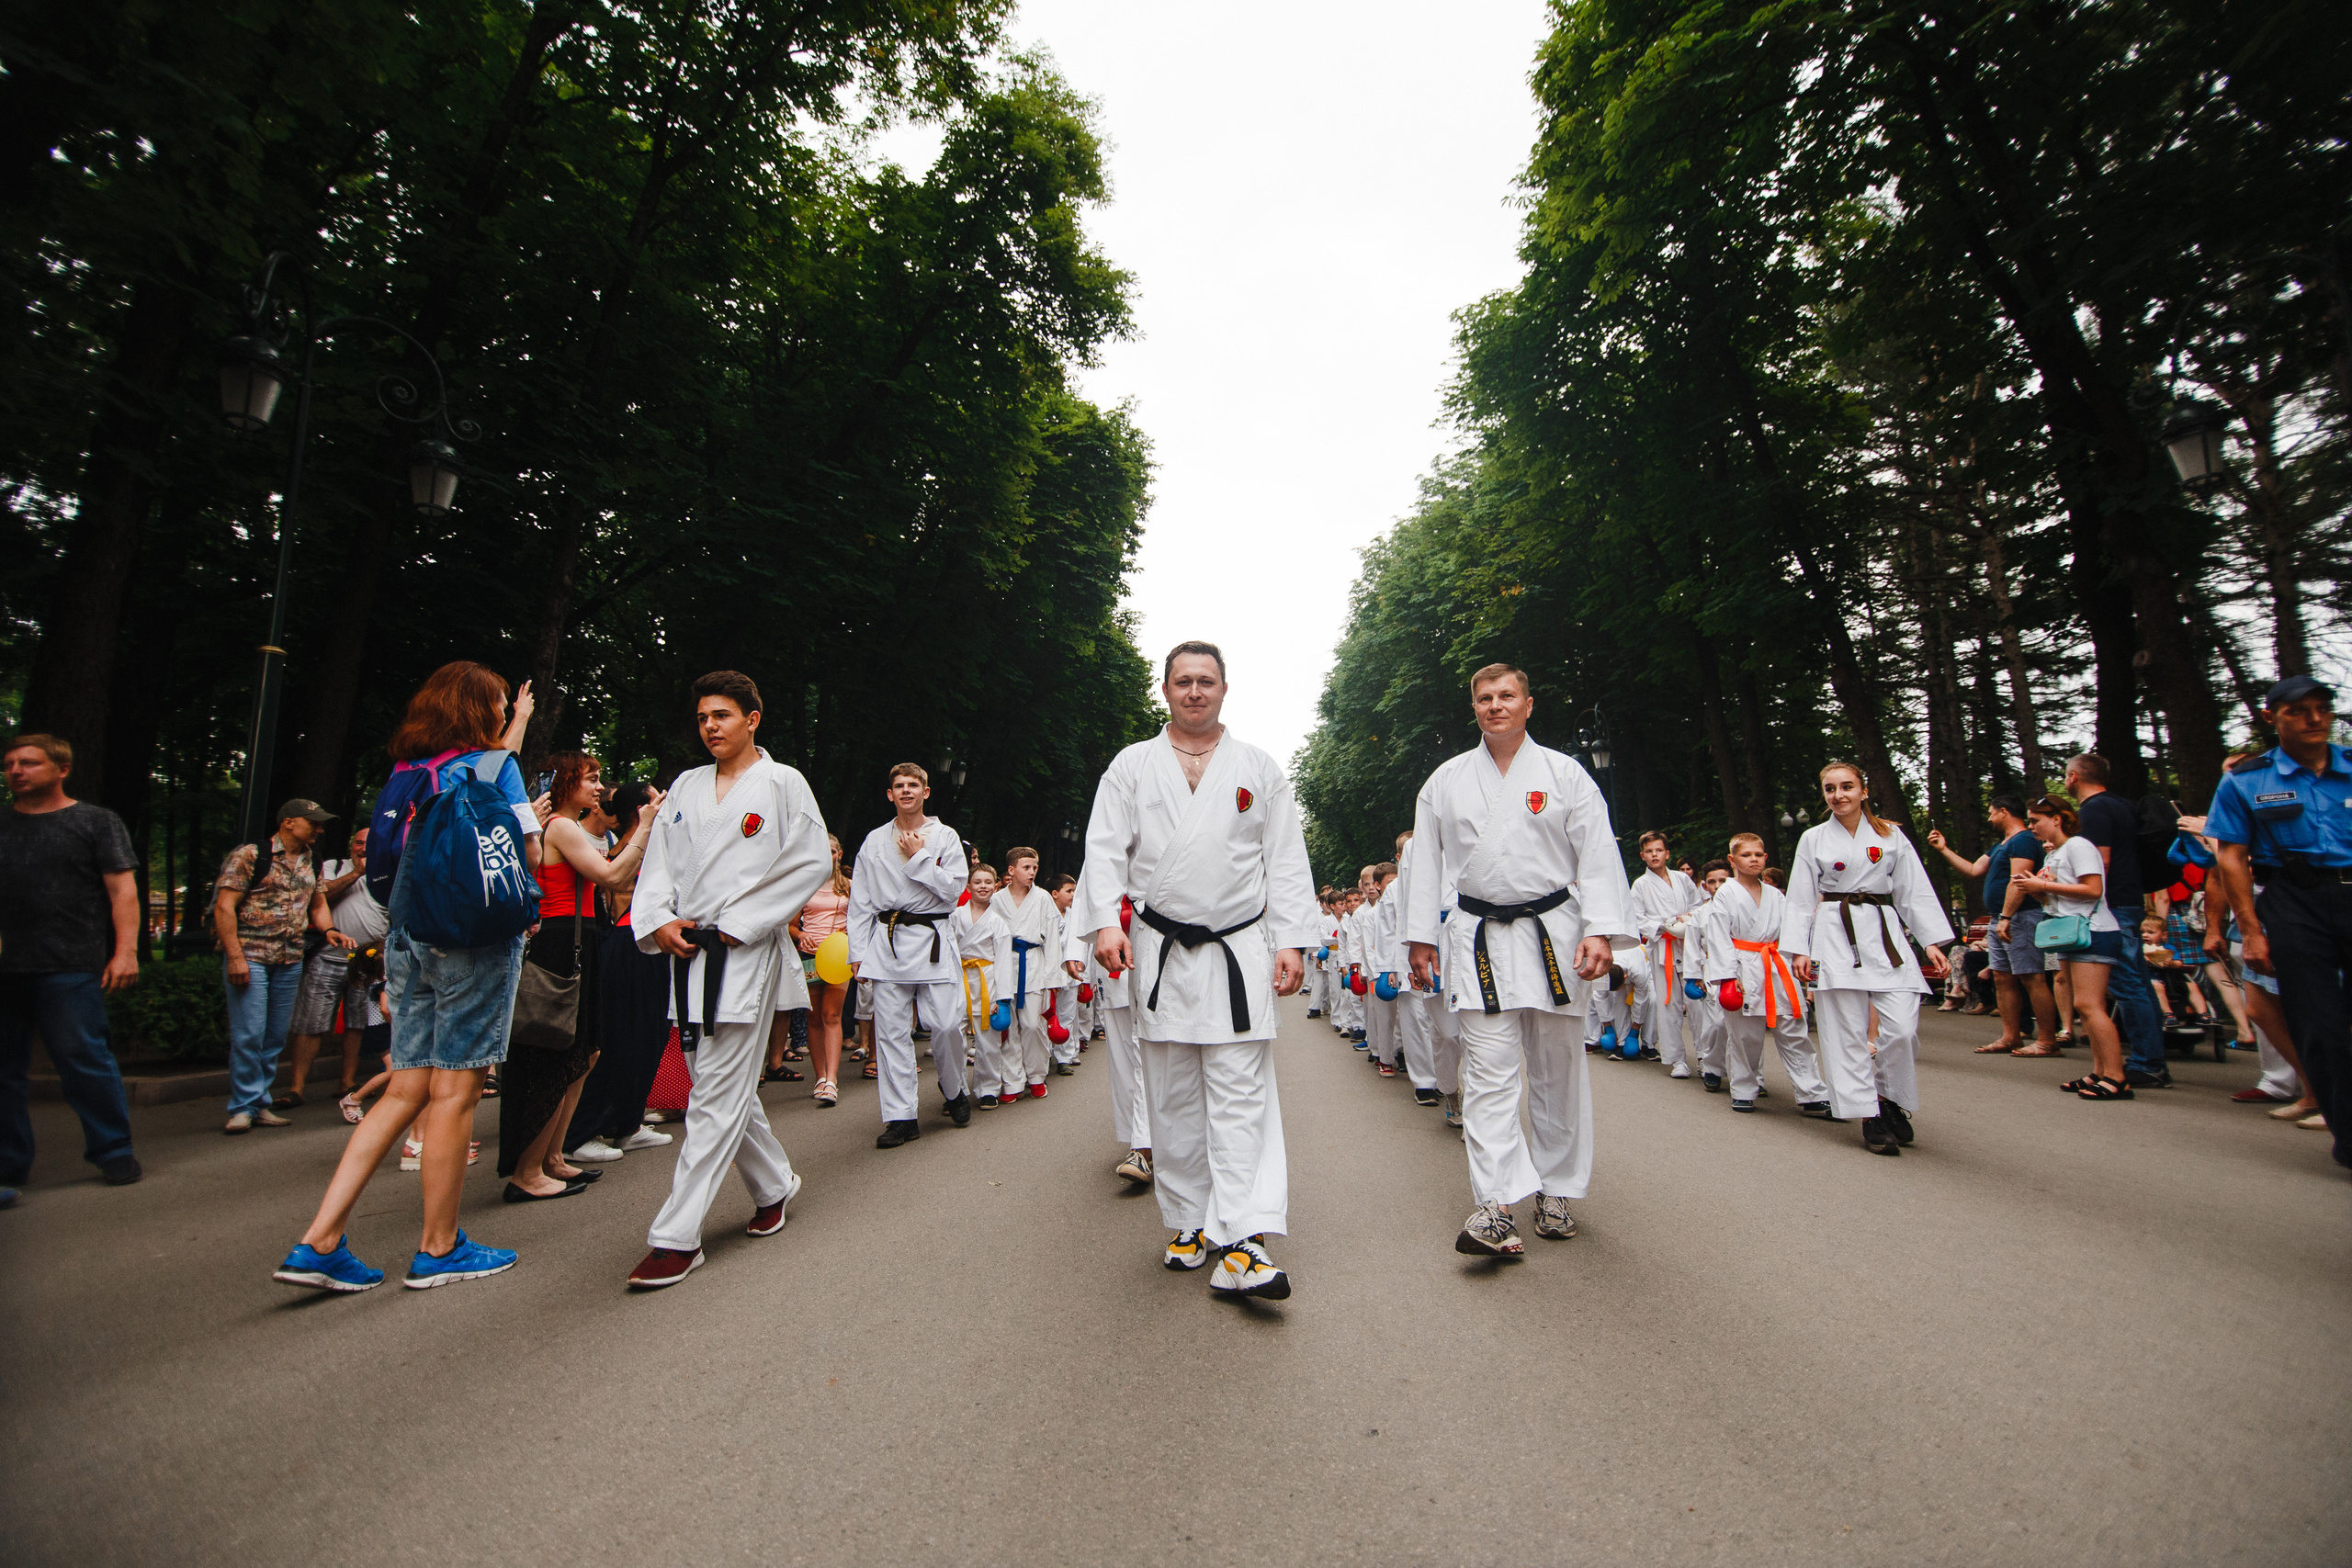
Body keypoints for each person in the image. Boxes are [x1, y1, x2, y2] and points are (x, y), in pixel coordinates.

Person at [273, 664, 540, 1292]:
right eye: (500, 706)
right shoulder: (495, 766)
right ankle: (440, 1246)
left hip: (406, 937)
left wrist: (519, 726)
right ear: (481, 711)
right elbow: (524, 850)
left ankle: (320, 1240)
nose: (505, 714)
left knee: (403, 1090)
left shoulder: (405, 772)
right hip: (471, 941)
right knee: (457, 1093)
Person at [1074, 641, 1317, 1300]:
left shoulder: (1258, 767)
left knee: (1241, 1095)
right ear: (1166, 689)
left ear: (1224, 688)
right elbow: (1103, 849)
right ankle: (1187, 1221)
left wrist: (1293, 937)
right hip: (1159, 950)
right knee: (1173, 1094)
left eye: (1205, 680)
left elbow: (1286, 858)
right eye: (1183, 680)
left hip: (1237, 951)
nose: (1194, 691)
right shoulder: (1131, 765)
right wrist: (1103, 922)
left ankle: (1244, 1237)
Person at [1405, 663, 1632, 1258]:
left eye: (1507, 695)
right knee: (1488, 1074)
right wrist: (1419, 937)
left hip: (1554, 935)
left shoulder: (1564, 774)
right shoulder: (1447, 781)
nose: (1495, 705)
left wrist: (1602, 930)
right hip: (1478, 935)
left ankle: (1555, 1188)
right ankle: (1497, 1203)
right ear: (1474, 707)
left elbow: (1599, 853)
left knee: (1557, 1069)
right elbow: (1425, 864)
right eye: (1485, 698)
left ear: (1528, 704)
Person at [626, 671, 831, 1289]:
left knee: (712, 1093)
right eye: (703, 718)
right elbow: (657, 866)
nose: (710, 725)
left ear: (752, 719)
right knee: (717, 1085)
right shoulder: (686, 787)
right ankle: (774, 1184)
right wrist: (658, 920)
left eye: (722, 714)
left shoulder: (783, 782)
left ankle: (675, 1237)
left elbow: (811, 859)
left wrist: (745, 922)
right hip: (687, 951)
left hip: (744, 949)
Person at [2201, 676, 2352, 1165]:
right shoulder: (2247, 779)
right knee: (2318, 1024)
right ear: (2272, 718)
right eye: (2299, 711)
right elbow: (2231, 857)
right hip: (2294, 899)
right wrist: (2251, 931)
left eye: (2322, 709)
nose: (2314, 719)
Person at [500, 751, 660, 1199]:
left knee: (584, 1055)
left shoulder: (561, 828)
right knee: (558, 1056)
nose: (599, 788)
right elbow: (612, 875)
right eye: (591, 779)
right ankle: (528, 1172)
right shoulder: (562, 827)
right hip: (559, 944)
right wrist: (644, 827)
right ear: (567, 784)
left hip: (577, 940)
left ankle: (552, 1157)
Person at [1781, 761, 1953, 1156]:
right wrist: (1800, 948)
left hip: (1883, 927)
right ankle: (1869, 1113)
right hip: (1834, 930)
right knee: (1846, 1031)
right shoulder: (1813, 838)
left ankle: (1889, 1097)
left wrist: (1930, 942)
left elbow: (1913, 890)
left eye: (1846, 787)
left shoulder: (1891, 835)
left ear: (1864, 790)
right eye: (1830, 789)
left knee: (1902, 1027)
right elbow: (1801, 896)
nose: (1838, 795)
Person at [0, 734, 143, 1197]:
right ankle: (7, 1164)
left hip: (70, 965)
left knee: (84, 1060)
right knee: (3, 1070)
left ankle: (113, 1150)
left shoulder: (96, 821)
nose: (16, 771)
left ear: (61, 769)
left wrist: (126, 951)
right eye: (9, 764)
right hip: (6, 968)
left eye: (28, 763)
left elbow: (123, 890)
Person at [847, 763, 973, 1147]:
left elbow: (952, 892)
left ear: (926, 792)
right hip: (887, 943)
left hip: (933, 939)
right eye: (899, 786)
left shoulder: (945, 837)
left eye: (913, 785)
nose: (905, 791)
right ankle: (901, 1117)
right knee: (890, 1034)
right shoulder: (873, 841)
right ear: (890, 795)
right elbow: (861, 902)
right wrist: (857, 952)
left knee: (947, 1023)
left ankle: (953, 1089)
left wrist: (920, 858)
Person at [563, 781, 677, 1162]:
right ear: (639, 811)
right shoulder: (628, 851)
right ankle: (581, 1132)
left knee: (648, 1039)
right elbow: (617, 884)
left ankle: (625, 1125)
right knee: (617, 1041)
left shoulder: (649, 846)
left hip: (649, 946)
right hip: (630, 945)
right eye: (655, 797)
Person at [215, 799, 335, 1134]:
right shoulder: (251, 856)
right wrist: (235, 956)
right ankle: (242, 1107)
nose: (319, 829)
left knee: (273, 1036)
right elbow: (225, 907)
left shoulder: (313, 860)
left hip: (290, 958)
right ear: (288, 823)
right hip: (250, 955)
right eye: (313, 823)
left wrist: (329, 930)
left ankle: (259, 1103)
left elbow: (318, 903)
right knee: (248, 1033)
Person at [2008, 796, 2136, 1100]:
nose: (2031, 826)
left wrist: (2044, 887)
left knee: (2091, 1006)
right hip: (2069, 932)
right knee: (2083, 1006)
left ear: (2057, 819)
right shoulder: (2054, 854)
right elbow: (2056, 899)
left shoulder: (2079, 846)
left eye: (2036, 819)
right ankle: (2099, 1072)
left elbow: (2093, 890)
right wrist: (2036, 889)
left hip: (2094, 931)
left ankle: (2118, 1077)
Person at [1702, 833, 1831, 1115]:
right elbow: (1719, 937)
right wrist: (1727, 976)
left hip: (1777, 966)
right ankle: (1744, 1089)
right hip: (1743, 967)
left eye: (1758, 855)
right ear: (1733, 860)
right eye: (1747, 855)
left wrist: (1800, 960)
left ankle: (1811, 1093)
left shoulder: (1776, 895)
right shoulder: (1725, 894)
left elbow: (1794, 932)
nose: (1754, 859)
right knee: (1745, 1036)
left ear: (1765, 858)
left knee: (1794, 1030)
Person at [2064, 754, 2169, 1088]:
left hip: (2112, 906)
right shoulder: (2122, 805)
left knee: (2125, 983)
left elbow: (2101, 862)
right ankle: (2151, 1057)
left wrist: (2087, 897)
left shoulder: (2094, 810)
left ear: (2074, 777)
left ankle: (2147, 1062)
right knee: (2138, 982)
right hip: (2130, 900)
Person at [1930, 795, 2063, 1056]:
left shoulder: (2023, 840)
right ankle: (2011, 1037)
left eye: (1991, 813)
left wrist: (2006, 917)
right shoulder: (2000, 845)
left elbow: (2018, 880)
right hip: (1999, 917)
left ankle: (2048, 1040)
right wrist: (1943, 849)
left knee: (2032, 977)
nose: (1989, 819)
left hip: (2020, 917)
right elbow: (1972, 870)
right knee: (2002, 978)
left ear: (2004, 812)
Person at [282, 828, 385, 1110]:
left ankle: (347, 1081)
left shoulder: (387, 875)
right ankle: (296, 1088)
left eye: (370, 843)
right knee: (311, 1024)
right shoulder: (332, 867)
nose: (363, 848)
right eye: (359, 842)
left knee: (357, 1024)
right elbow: (318, 899)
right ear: (352, 845)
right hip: (327, 958)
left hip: (367, 965)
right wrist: (355, 874)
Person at [1629, 830, 1702, 1077]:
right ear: (1642, 856)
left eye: (1659, 850)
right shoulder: (1640, 885)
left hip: (1688, 945)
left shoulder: (1682, 879)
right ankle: (1677, 1059)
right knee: (1668, 1003)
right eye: (1649, 851)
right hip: (1662, 947)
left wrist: (1687, 919)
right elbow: (1637, 918)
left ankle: (1705, 1055)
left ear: (1667, 853)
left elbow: (1698, 906)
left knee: (1697, 1002)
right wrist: (1663, 926)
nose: (1654, 855)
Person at [991, 847, 1057, 1101]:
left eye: (1035, 867)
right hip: (1005, 965)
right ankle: (1012, 1081)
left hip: (1033, 964)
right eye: (1026, 867)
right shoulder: (997, 900)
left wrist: (1053, 979)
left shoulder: (1042, 898)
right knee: (1009, 1027)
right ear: (1011, 870)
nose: (1032, 872)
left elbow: (1052, 940)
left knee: (1032, 1024)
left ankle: (1037, 1076)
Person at [790, 837, 852, 1107]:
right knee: (813, 1017)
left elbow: (861, 919)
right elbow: (790, 925)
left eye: (831, 851)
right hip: (810, 956)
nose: (828, 856)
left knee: (832, 1014)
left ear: (839, 854)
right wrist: (801, 935)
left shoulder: (849, 886)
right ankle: (819, 1076)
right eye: (821, 851)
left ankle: (832, 1079)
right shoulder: (804, 886)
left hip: (839, 957)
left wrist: (849, 935)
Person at [953, 863, 1013, 1109]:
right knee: (953, 1035)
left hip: (987, 981)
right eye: (977, 882)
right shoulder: (955, 916)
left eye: (988, 882)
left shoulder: (998, 922)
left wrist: (1003, 998)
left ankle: (988, 1088)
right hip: (959, 979)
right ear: (968, 886)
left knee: (988, 1039)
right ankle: (953, 1090)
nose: (983, 887)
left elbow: (1004, 962)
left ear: (996, 886)